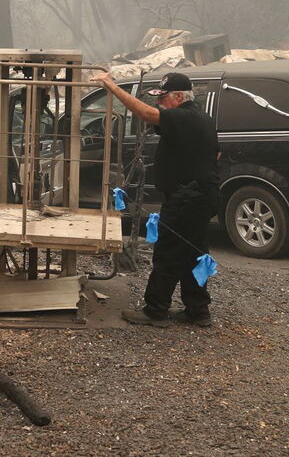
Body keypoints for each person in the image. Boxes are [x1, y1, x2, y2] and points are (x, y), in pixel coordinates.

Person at [91, 72, 219, 327]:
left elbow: (147, 114)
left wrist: (111, 86)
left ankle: (156, 310)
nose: (160, 104)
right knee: (193, 252)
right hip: (200, 194)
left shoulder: (185, 116)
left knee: (168, 251)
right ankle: (198, 309)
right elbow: (216, 154)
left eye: (164, 99)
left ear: (180, 97)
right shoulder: (199, 118)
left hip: (187, 196)